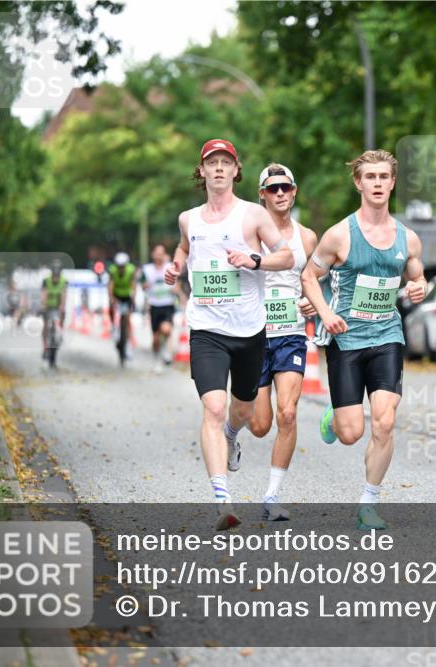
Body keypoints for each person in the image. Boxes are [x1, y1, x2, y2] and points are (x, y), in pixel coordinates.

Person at [164, 138, 293, 531]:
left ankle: (232, 437)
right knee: (213, 409)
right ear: (201, 172)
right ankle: (223, 500)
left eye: (226, 163)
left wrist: (253, 259)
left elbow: (286, 255)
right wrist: (176, 265)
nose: (218, 169)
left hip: (250, 329)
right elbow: (185, 248)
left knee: (240, 411)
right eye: (211, 163)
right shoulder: (189, 218)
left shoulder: (253, 215)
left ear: (236, 171)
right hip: (206, 328)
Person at [299, 149, 427, 531]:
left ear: (392, 182)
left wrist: (420, 287)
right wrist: (325, 313)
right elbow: (309, 277)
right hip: (346, 340)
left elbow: (418, 277)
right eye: (369, 177)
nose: (376, 183)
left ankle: (368, 503)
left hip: (388, 335)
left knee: (384, 423)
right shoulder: (340, 235)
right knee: (352, 432)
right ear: (358, 182)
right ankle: (335, 417)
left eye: (383, 177)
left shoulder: (408, 238)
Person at [241, 163, 317, 522]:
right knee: (258, 426)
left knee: (288, 413)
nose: (280, 193)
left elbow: (312, 280)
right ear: (262, 195)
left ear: (295, 191)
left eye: (286, 187)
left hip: (290, 334)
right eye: (273, 189)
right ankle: (228, 431)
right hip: (255, 335)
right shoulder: (248, 235)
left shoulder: (308, 238)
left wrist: (310, 302)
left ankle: (272, 496)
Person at [141, 243, 178, 373]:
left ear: (165, 255)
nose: (159, 256)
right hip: (154, 306)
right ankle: (157, 359)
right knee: (156, 338)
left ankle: (166, 352)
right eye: (157, 253)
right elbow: (142, 285)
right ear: (153, 255)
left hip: (167, 304)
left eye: (162, 253)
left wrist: (175, 289)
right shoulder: (147, 269)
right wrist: (146, 285)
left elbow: (177, 284)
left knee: (167, 330)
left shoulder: (169, 267)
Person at [108, 252, 137, 366]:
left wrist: (133, 298)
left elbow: (133, 285)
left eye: (122, 267)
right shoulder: (112, 270)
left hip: (126, 296)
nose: (120, 269)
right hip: (116, 295)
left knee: (127, 319)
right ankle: (114, 328)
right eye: (119, 267)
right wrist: (111, 299)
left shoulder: (131, 270)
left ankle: (128, 344)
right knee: (111, 311)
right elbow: (110, 285)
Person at [41, 262, 67, 364]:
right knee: (46, 326)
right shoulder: (46, 281)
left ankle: (59, 333)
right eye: (54, 276)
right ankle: (45, 347)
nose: (56, 278)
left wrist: (62, 307)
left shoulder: (63, 281)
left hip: (58, 307)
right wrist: (43, 305)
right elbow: (44, 294)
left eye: (57, 275)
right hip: (48, 306)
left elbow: (64, 295)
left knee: (60, 321)